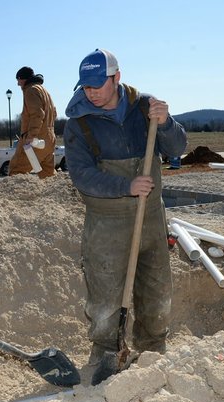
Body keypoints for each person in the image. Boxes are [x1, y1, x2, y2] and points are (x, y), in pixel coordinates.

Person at [63, 48, 187, 384]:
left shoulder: (144, 108)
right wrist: (126, 185)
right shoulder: (79, 126)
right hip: (107, 224)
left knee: (157, 292)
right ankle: (105, 354)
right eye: (85, 86)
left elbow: (177, 149)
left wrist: (166, 123)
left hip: (150, 220)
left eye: (97, 84)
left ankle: (151, 351)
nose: (90, 92)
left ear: (116, 77)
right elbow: (82, 177)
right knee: (105, 299)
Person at [8, 66, 57, 178]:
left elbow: (37, 115)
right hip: (48, 140)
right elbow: (54, 114)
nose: (18, 84)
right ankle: (51, 195)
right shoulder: (44, 90)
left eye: (18, 80)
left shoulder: (31, 90)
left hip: (35, 141)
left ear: (23, 79)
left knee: (17, 170)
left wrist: (31, 136)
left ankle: (17, 196)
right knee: (47, 174)